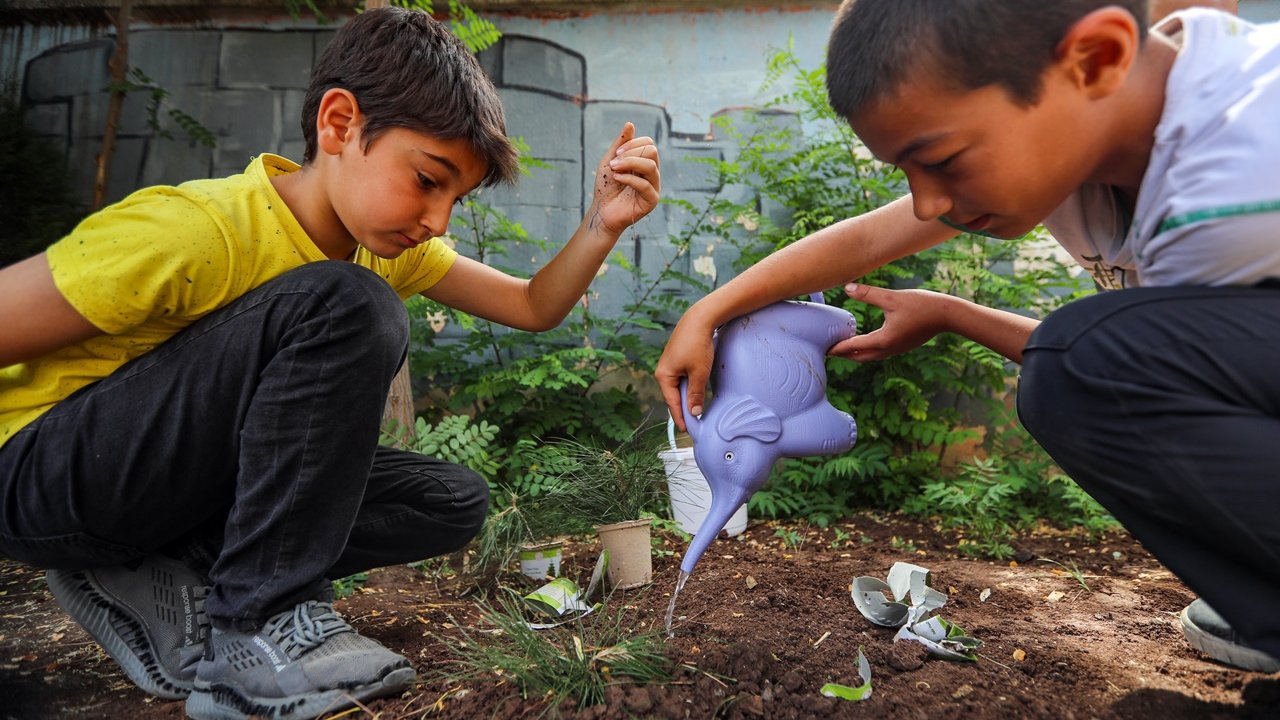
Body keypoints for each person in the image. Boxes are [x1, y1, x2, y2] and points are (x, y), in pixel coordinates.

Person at [0, 7, 660, 720]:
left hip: (152, 489)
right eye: (428, 180)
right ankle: (256, 631)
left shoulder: (384, 244)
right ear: (339, 124)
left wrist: (602, 223)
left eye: (455, 198)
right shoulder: (198, 228)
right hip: (40, 472)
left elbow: (533, 306)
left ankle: (164, 573)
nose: (438, 221)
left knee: (448, 501)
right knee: (350, 303)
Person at [657, 0, 1280, 674]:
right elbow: (870, 238)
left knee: (1073, 370)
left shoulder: (1233, 188)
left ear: (1097, 58)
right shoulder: (1094, 123)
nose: (927, 203)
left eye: (942, 161)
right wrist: (710, 312)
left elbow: (1109, 371)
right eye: (909, 173)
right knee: (1072, 365)